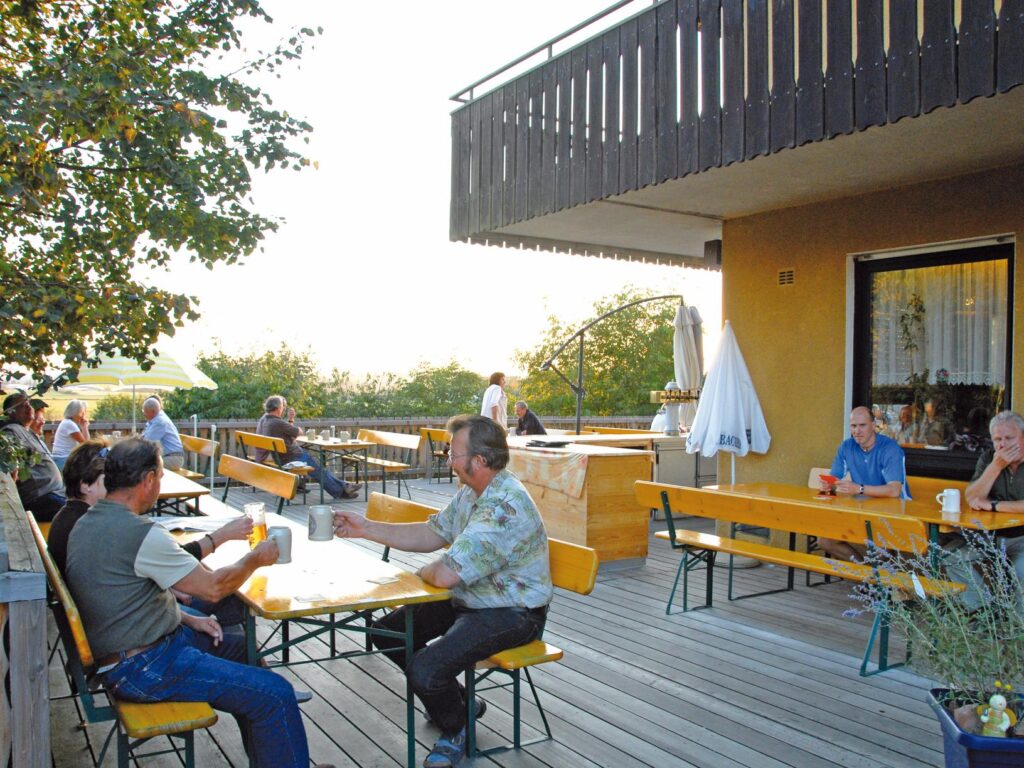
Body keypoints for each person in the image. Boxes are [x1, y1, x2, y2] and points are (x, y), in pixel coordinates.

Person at [64, 438, 326, 768]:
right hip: (144, 666)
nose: (160, 483)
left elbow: (127, 594)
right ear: (148, 479)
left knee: (244, 650)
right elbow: (213, 589)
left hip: (129, 651)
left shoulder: (88, 521)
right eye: (161, 476)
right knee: (276, 694)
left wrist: (186, 618)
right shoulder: (139, 533)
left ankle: (278, 758)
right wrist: (256, 559)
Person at [333, 414, 552, 768]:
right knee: (388, 633)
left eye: (453, 454)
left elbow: (445, 575)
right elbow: (432, 532)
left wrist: (426, 571)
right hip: (472, 599)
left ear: (478, 461)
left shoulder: (503, 507)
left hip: (513, 612)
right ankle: (462, 706)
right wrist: (366, 528)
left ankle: (456, 728)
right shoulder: (472, 492)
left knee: (426, 669)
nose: (448, 460)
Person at [49, 439, 251, 628]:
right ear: (85, 485)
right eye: (108, 478)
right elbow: (210, 586)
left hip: (117, 622)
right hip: (133, 631)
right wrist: (249, 553)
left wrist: (171, 591)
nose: (114, 483)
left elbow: (120, 575)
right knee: (230, 597)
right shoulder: (91, 524)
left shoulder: (80, 519)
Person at [817, 406, 910, 561]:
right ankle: (863, 570)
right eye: (853, 426)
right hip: (861, 510)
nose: (857, 431)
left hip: (892, 512)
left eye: (862, 425)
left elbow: (894, 490)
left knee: (880, 551)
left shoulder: (890, 448)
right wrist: (829, 484)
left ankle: (875, 573)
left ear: (873, 426)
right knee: (824, 540)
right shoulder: (847, 446)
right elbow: (834, 477)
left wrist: (859, 489)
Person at [962, 411, 1024, 595]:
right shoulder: (989, 458)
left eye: (1009, 438)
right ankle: (984, 609)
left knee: (1021, 570)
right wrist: (996, 466)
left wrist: (994, 505)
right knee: (951, 559)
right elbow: (972, 498)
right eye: (997, 439)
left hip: (1022, 537)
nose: (1002, 444)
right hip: (989, 537)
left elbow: (984, 503)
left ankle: (1016, 614)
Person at [255, 395, 360, 499]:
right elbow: (298, 432)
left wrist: (290, 420)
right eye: (283, 406)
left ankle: (345, 487)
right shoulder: (277, 422)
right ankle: (341, 491)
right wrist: (292, 422)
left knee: (320, 470)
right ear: (278, 408)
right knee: (319, 471)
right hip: (293, 457)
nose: (284, 408)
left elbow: (291, 436)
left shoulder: (266, 421)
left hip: (282, 457)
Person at [1, 391, 66, 521]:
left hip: (54, 493)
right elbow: (10, 466)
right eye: (22, 405)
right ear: (10, 412)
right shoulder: (10, 431)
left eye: (28, 403)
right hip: (41, 498)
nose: (28, 407)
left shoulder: (27, 431)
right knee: (80, 511)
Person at [141, 396, 185, 471]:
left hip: (173, 458)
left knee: (143, 466)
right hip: (168, 456)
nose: (144, 414)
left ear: (153, 411)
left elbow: (147, 443)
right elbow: (144, 438)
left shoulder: (159, 421)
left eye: (145, 412)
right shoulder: (154, 420)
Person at [52, 399, 91, 470]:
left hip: (61, 458)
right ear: (75, 412)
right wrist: (84, 427)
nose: (83, 416)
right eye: (82, 413)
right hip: (63, 459)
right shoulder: (69, 424)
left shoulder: (67, 422)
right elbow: (86, 444)